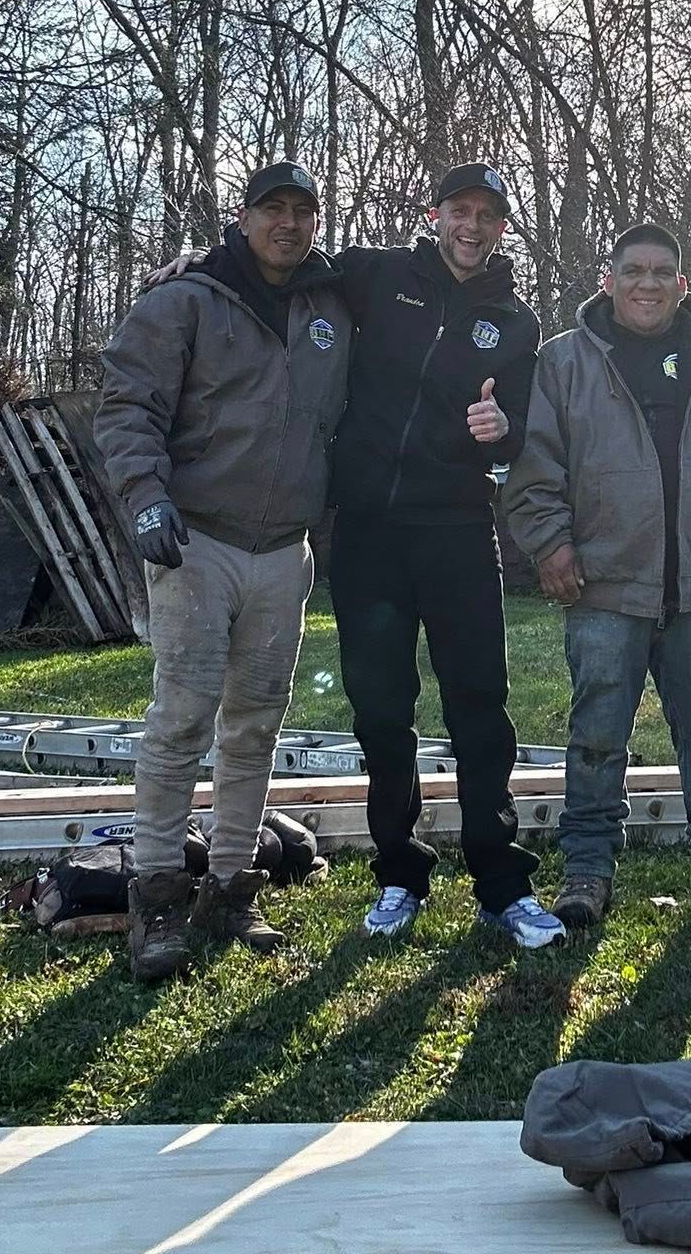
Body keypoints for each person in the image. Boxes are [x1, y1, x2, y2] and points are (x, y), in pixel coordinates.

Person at [95, 161, 352, 980]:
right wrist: (144, 499)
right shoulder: (185, 301)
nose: (288, 223)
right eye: (272, 209)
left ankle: (232, 887)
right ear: (241, 218)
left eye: (302, 211)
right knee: (181, 720)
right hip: (196, 541)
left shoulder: (332, 307)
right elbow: (127, 406)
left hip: (285, 552)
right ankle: (158, 900)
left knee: (255, 724)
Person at [504, 224, 691, 927]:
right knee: (596, 737)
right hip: (604, 587)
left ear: (683, 285)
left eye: (663, 272)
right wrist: (549, 546)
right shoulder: (564, 363)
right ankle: (588, 874)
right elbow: (532, 470)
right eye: (634, 271)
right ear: (608, 281)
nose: (648, 284)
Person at [323, 163, 563, 947]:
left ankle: (501, 883)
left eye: (488, 215)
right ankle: (400, 874)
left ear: (502, 229)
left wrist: (507, 431)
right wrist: (196, 264)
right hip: (366, 534)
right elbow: (283, 267)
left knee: (479, 707)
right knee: (381, 708)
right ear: (434, 215)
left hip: (458, 527)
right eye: (460, 210)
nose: (472, 226)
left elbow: (524, 423)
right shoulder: (378, 276)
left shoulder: (516, 321)